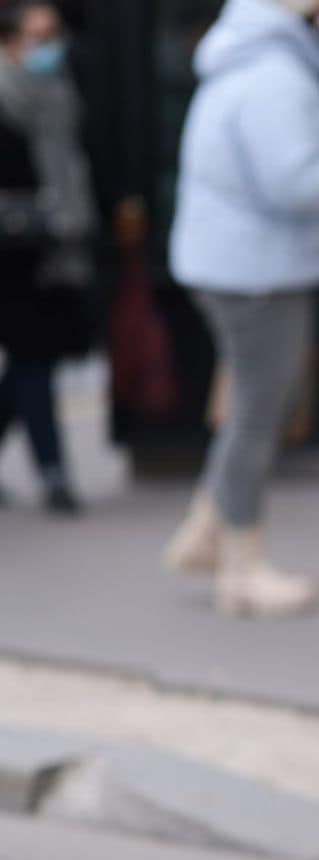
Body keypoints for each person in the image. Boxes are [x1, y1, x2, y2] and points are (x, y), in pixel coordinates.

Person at [163, 0, 319, 617]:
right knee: (256, 419)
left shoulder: (248, 65)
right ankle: (241, 568)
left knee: (247, 411)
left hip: (241, 266)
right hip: (257, 272)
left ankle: (208, 533)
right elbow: (294, 185)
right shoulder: (276, 79)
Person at [0, 0, 95, 515]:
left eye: (53, 33)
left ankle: (54, 471)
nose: (49, 45)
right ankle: (54, 472)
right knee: (35, 359)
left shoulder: (59, 93)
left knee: (34, 360)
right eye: (37, 35)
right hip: (12, 251)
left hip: (54, 247)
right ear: (9, 40)